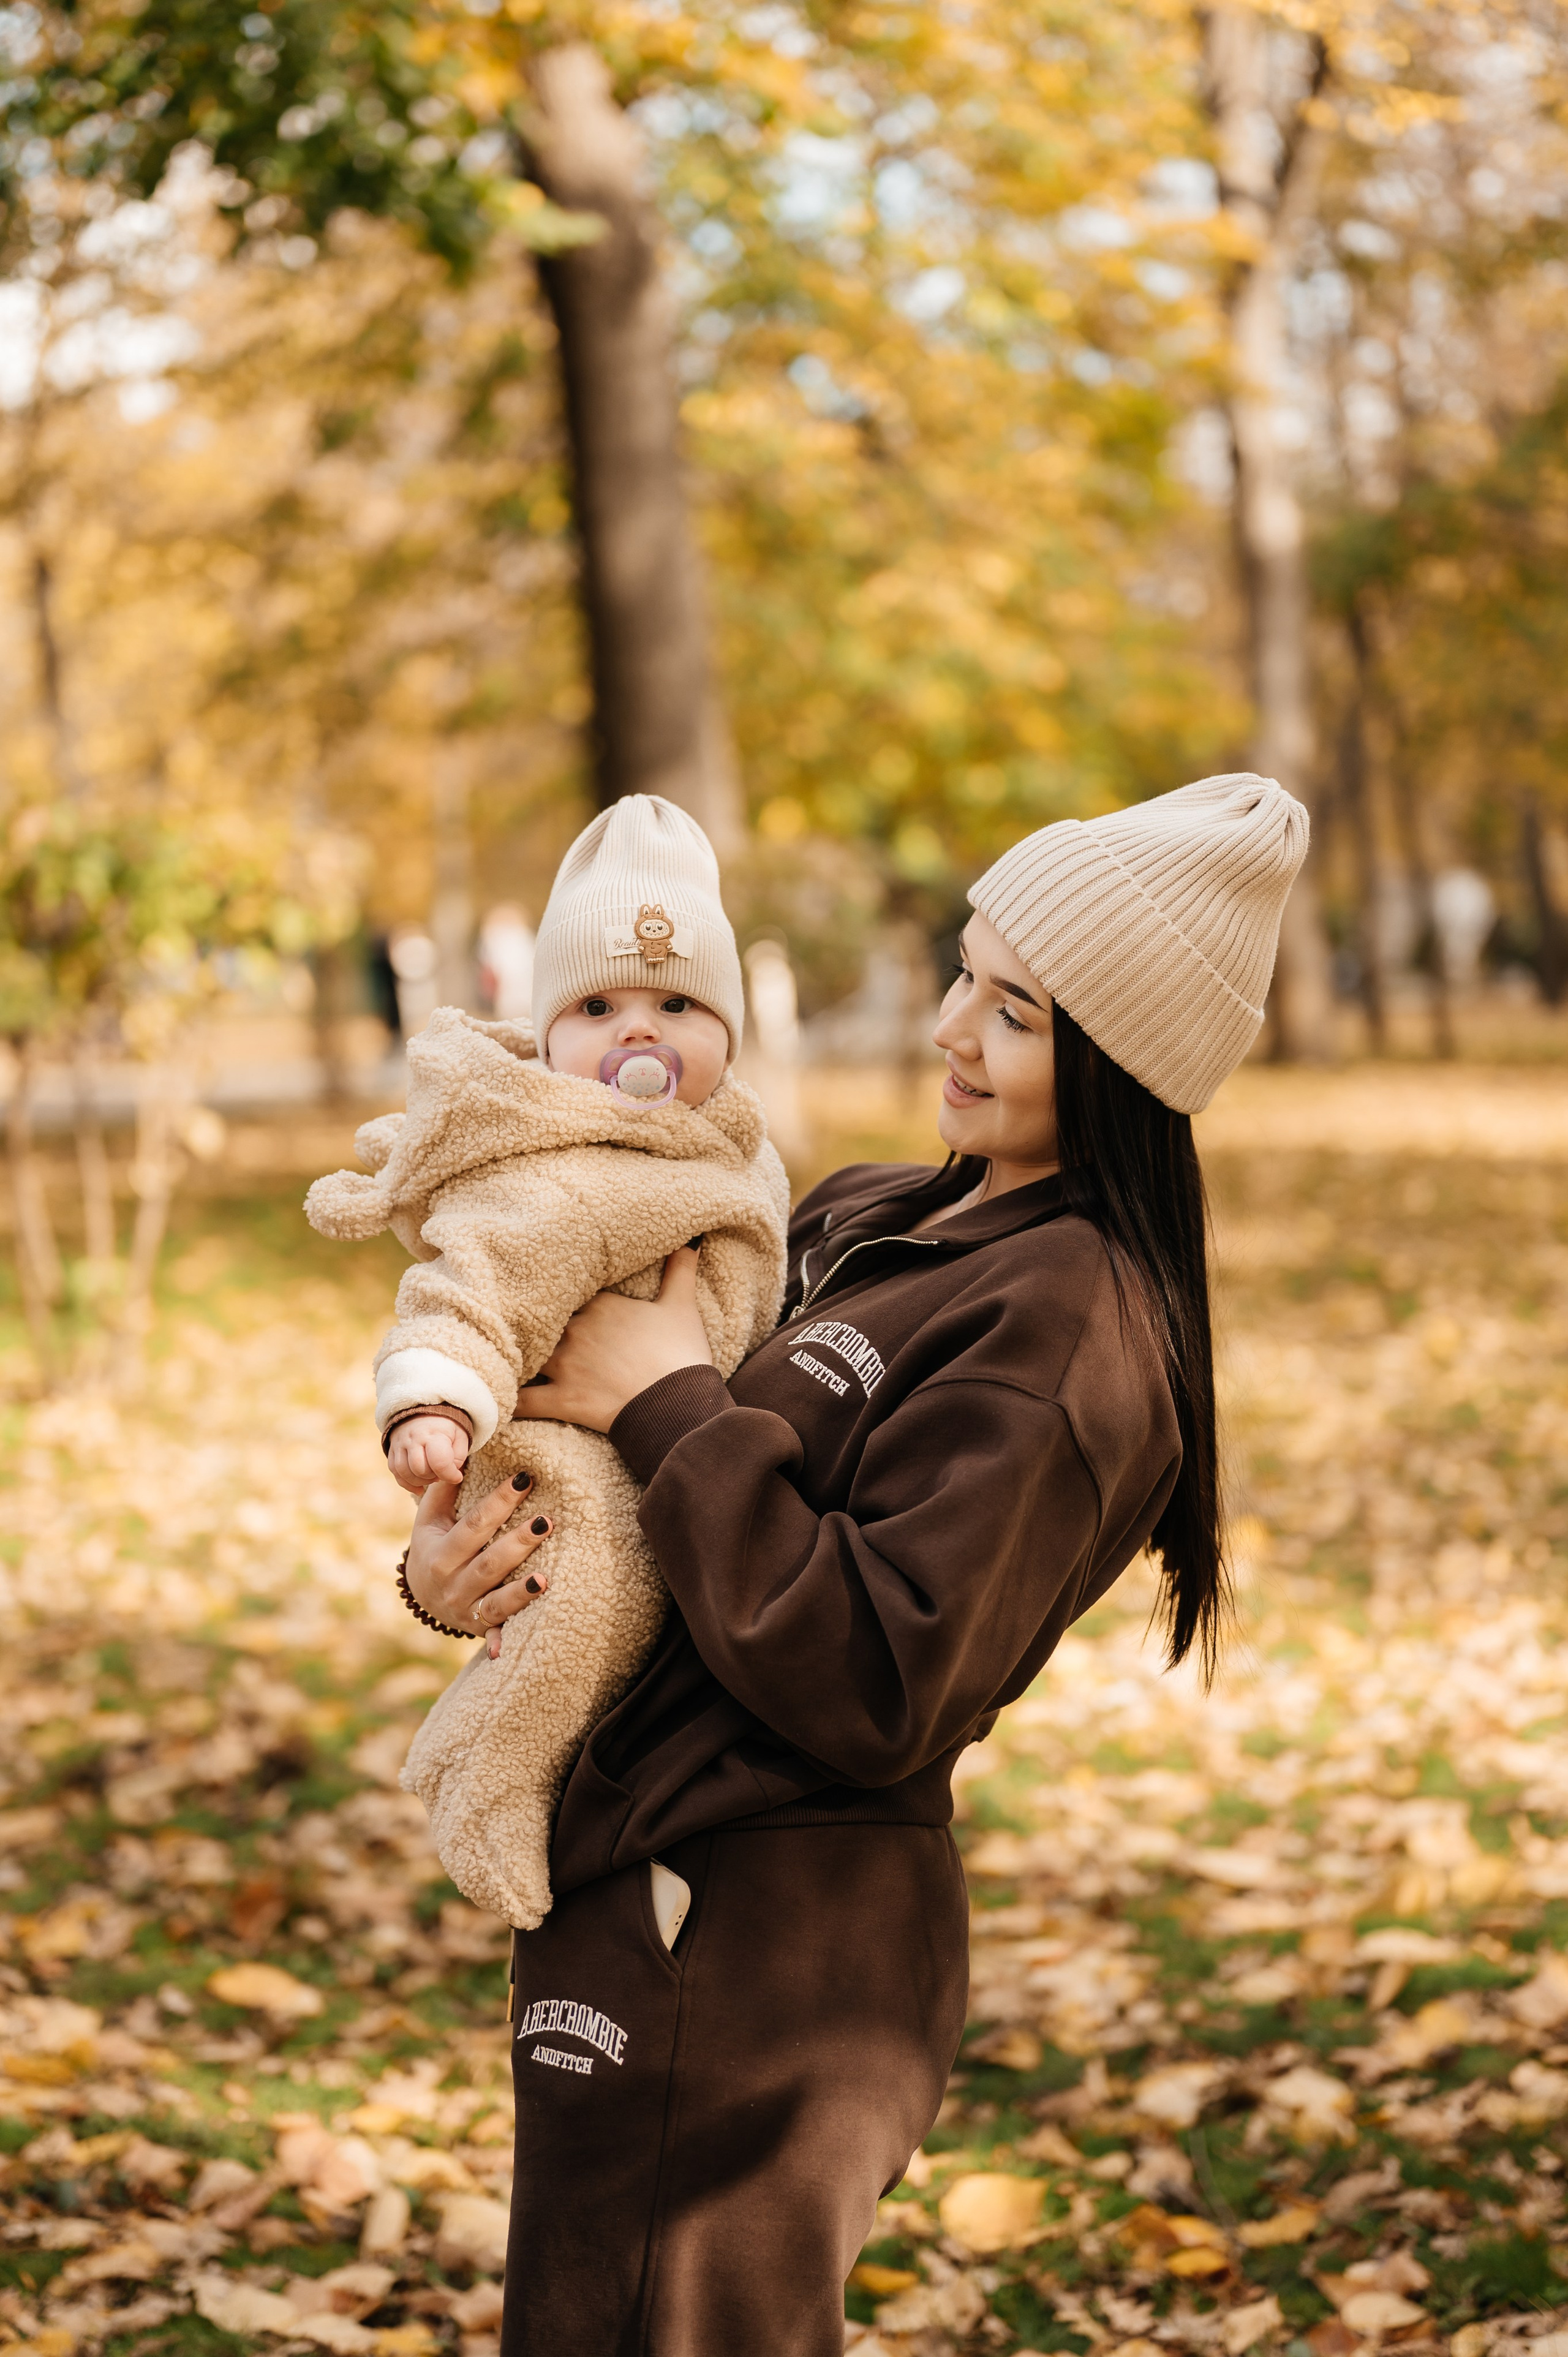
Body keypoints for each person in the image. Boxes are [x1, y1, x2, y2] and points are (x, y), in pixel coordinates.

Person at [401, 772, 1310, 2357]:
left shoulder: (1073, 1333)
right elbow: (619, 1488)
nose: (953, 1029)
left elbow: (882, 1673)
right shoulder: (870, 1214)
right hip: (633, 1868)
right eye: (966, 971)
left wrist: (669, 1394)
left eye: (1014, 1013)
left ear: (1119, 1064)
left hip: (776, 1926)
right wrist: (462, 1556)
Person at [305, 795, 788, 1929]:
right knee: (583, 1621)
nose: (640, 1032)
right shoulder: (564, 1167)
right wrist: (433, 1391)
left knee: (629, 1640)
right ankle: (489, 1783)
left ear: (728, 1028)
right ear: (549, 1034)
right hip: (562, 1465)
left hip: (684, 1459)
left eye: (678, 1003)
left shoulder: (740, 1152)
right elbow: (472, 1282)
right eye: (599, 1006)